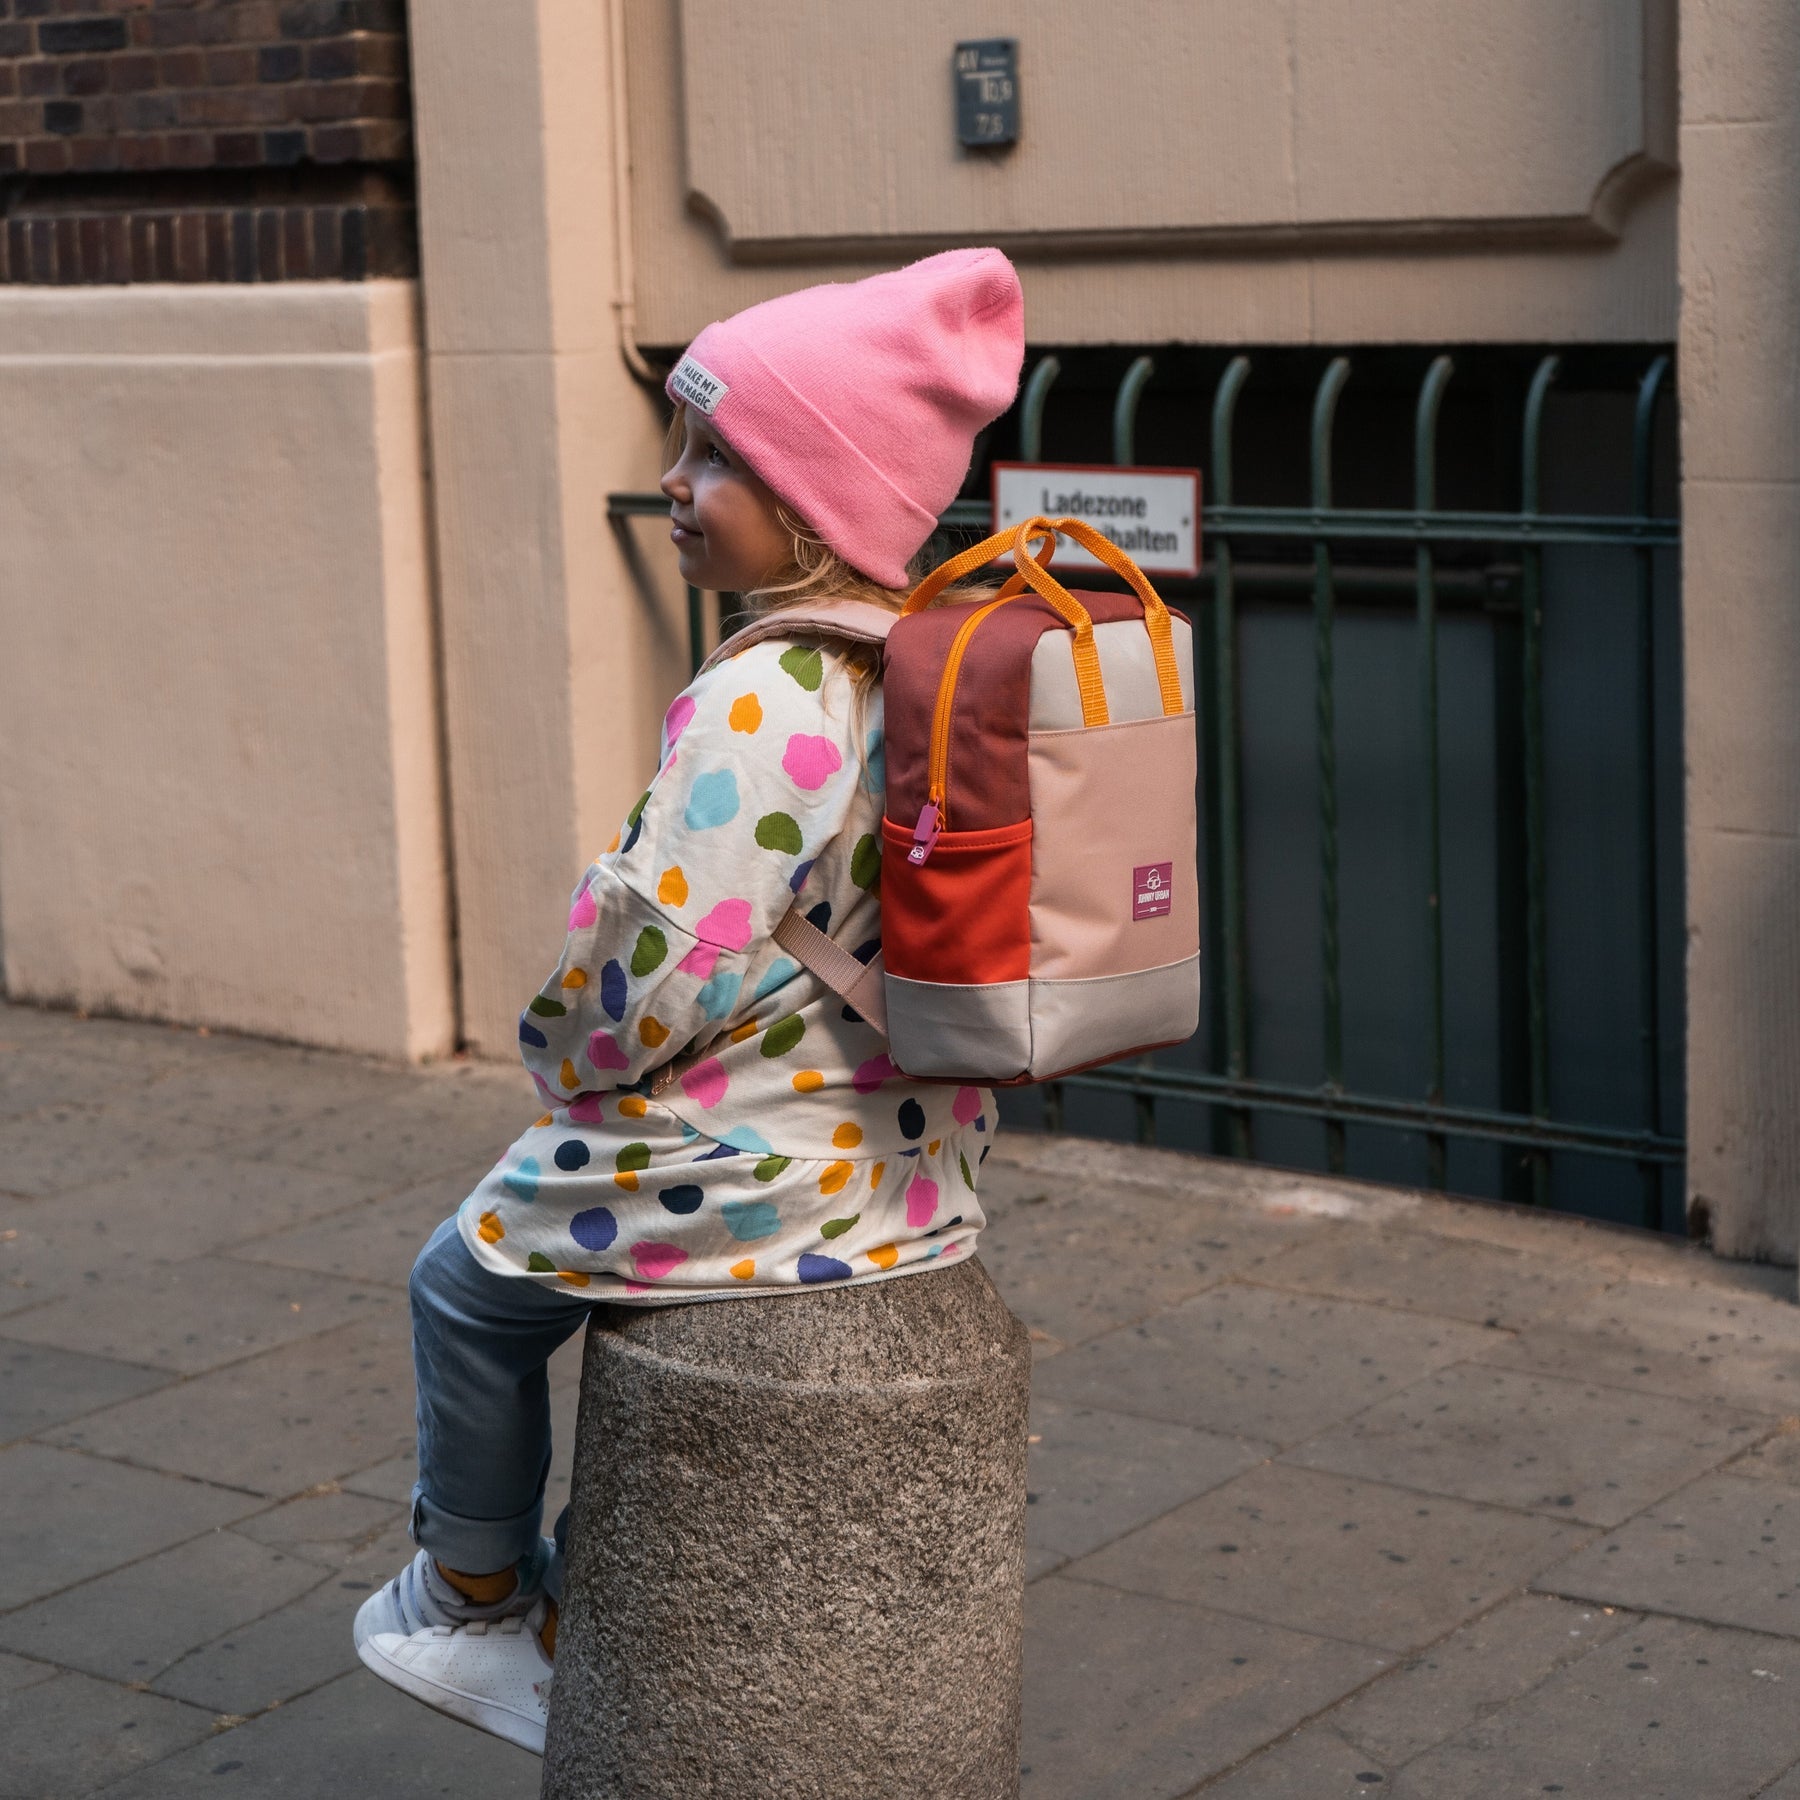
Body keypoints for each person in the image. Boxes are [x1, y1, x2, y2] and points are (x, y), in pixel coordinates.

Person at [351, 248, 1026, 1754]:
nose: (674, 478)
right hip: (910, 1167)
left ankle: (471, 1597)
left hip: (751, 1162)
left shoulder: (765, 694)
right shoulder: (913, 670)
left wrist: (562, 1056)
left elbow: (658, 959)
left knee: (461, 1289)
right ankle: (580, 1600)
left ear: (816, 499)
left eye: (718, 453)